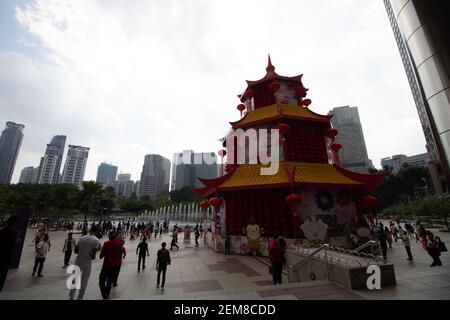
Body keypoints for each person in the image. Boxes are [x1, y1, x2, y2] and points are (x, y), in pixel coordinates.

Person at [69, 225, 101, 300]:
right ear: (96, 231)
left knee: (74, 278)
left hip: (78, 260)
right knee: (84, 280)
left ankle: (71, 296)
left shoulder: (82, 238)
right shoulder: (96, 241)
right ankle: (80, 297)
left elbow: (76, 251)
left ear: (90, 230)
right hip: (87, 262)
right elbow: (92, 256)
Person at [99, 232, 124, 299]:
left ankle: (104, 295)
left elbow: (101, 255)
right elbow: (120, 254)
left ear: (109, 237)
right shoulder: (119, 244)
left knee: (101, 281)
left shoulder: (106, 243)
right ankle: (107, 295)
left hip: (106, 265)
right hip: (115, 265)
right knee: (109, 281)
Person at [0, 215, 18, 292]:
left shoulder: (1, 231)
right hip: (5, 259)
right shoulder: (13, 232)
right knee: (1, 278)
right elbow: (12, 246)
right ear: (15, 223)